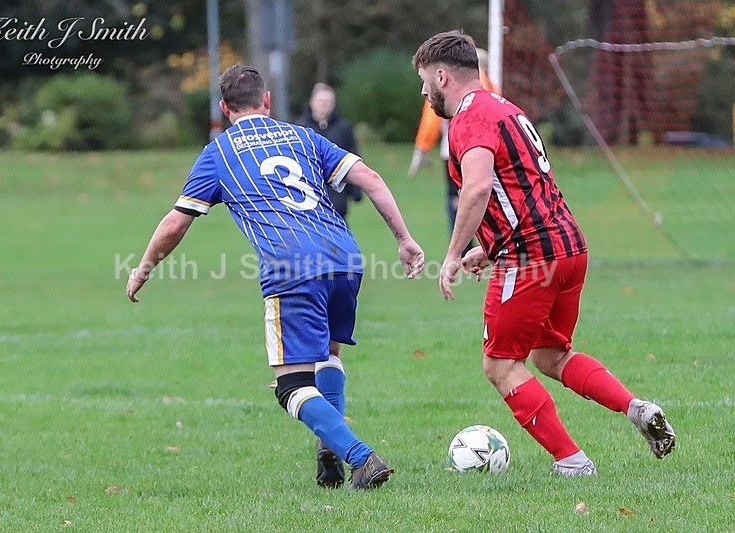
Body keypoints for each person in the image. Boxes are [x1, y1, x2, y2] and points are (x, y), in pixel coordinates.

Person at [126, 65, 425, 489]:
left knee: (291, 387)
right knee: (329, 356)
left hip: (291, 266)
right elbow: (370, 178)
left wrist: (143, 269)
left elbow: (176, 223)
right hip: (345, 257)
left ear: (224, 108)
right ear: (267, 101)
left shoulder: (220, 152)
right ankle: (330, 449)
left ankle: (362, 458)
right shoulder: (302, 135)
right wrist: (404, 238)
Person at [413, 30, 675, 475]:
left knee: (499, 365)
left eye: (423, 81)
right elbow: (520, 189)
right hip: (568, 247)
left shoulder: (468, 118)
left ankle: (572, 462)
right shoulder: (508, 110)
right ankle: (636, 409)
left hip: (531, 258)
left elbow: (477, 189)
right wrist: (488, 249)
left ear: (442, 76)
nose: (423, 92)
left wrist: (455, 253)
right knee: (549, 355)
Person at [407, 49, 496, 234]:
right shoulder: (490, 88)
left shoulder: (450, 88)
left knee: (460, 201)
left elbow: (430, 120)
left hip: (456, 152)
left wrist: (422, 147)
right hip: (485, 151)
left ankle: (460, 250)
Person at [297, 83, 363, 224]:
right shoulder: (300, 128)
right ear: (312, 102)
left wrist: (356, 190)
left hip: (337, 196)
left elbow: (352, 156)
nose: (324, 105)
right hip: (308, 196)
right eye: (321, 101)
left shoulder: (343, 127)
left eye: (328, 102)